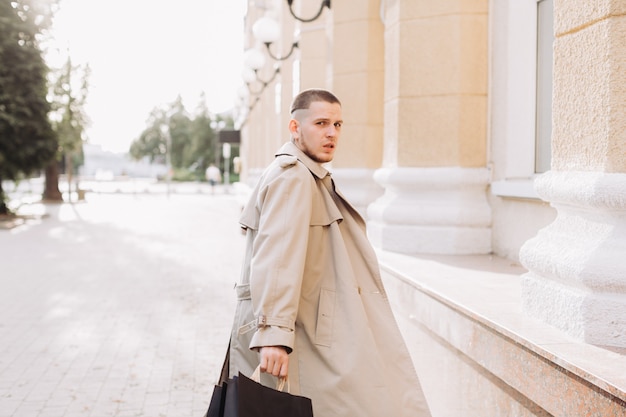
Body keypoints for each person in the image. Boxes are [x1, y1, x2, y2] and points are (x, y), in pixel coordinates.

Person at [227, 89, 431, 416]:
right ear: (295, 128)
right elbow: (276, 258)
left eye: (337, 124)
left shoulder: (308, 174)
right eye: (321, 123)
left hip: (312, 324)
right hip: (304, 332)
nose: (332, 133)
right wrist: (274, 335)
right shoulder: (293, 176)